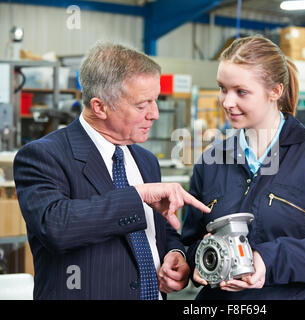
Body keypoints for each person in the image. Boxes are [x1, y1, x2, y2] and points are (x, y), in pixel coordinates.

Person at [13, 42, 210, 300]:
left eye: (156, 100)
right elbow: (56, 226)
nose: (155, 114)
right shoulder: (44, 156)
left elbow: (161, 229)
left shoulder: (146, 160)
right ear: (100, 107)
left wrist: (175, 255)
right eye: (142, 105)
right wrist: (136, 196)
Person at [181, 35, 305, 300]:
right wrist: (199, 261)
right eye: (223, 88)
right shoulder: (212, 161)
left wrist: (268, 260)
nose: (227, 102)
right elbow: (191, 240)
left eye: (241, 91)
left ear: (275, 92)